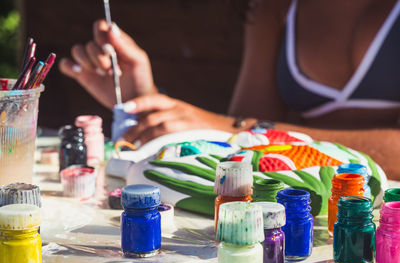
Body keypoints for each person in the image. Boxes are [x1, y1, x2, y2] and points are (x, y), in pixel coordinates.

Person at [59, 0, 400, 178]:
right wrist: (144, 101)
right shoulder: (273, 7)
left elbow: (242, 128)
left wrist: (232, 127)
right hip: (314, 210)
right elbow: (246, 149)